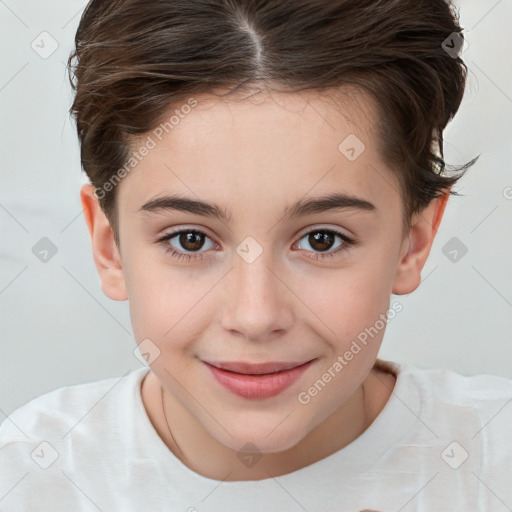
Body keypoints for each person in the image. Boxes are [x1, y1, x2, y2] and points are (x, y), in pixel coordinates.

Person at [1, 0, 510, 510]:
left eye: (322, 240)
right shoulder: (29, 476)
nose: (255, 316)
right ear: (109, 247)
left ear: (413, 241)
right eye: (191, 240)